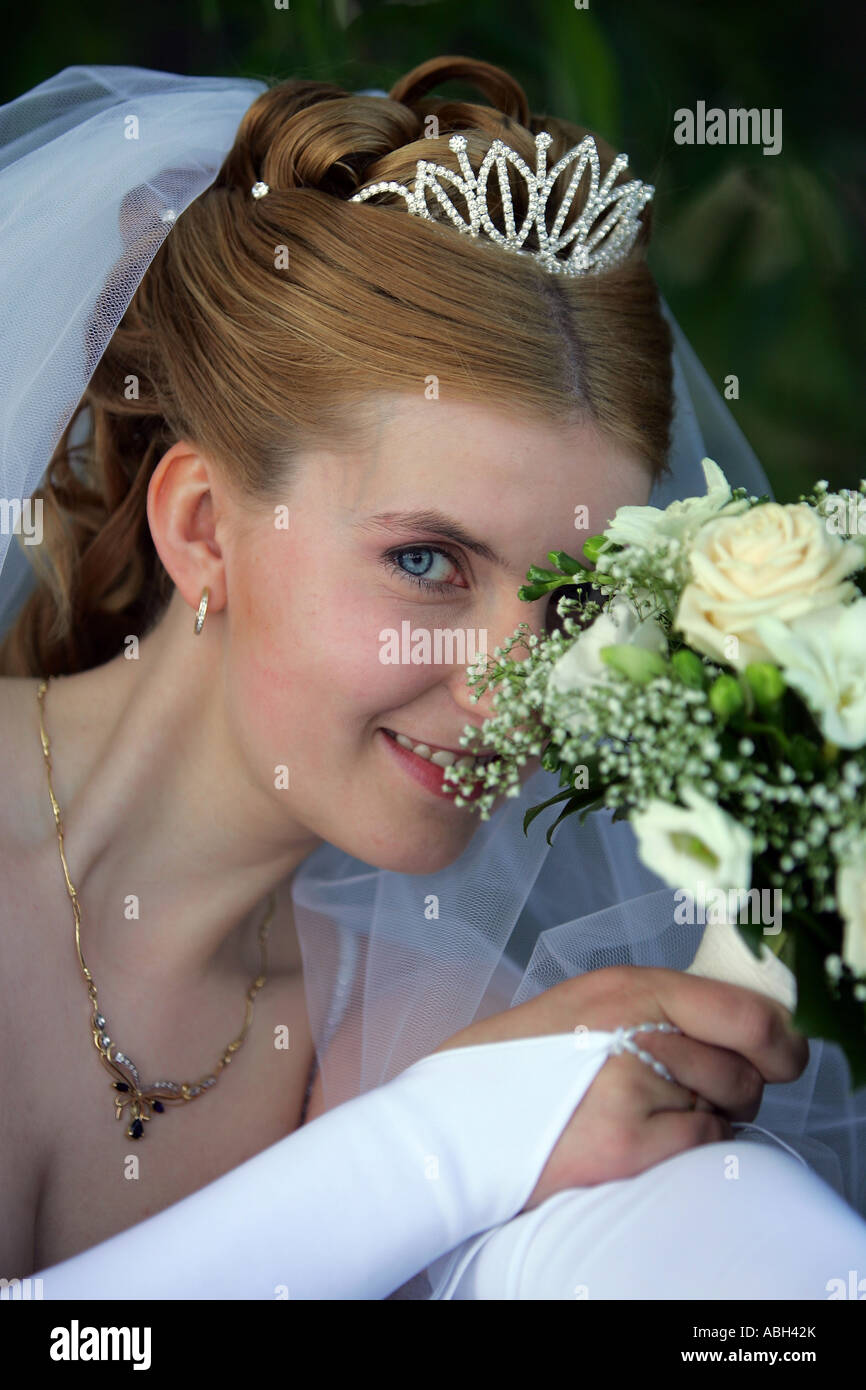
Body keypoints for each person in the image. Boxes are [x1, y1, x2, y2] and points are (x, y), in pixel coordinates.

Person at [0, 55, 864, 1303]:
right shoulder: (459, 1086)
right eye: (426, 560)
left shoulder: (435, 1005)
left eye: (574, 599)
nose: (520, 690)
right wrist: (427, 1151)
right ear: (201, 526)